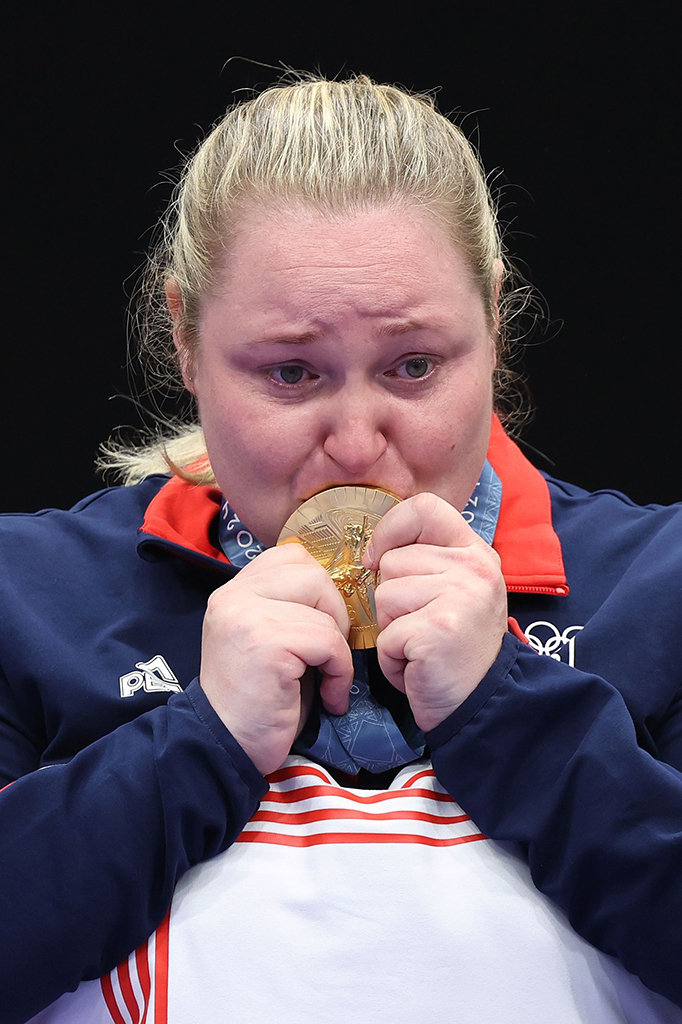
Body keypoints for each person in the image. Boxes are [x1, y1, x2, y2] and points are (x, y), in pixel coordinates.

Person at [1, 73, 680, 1023]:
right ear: (186, 337)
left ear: (492, 318)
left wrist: (509, 711)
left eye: (413, 366)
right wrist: (204, 740)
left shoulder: (662, 586)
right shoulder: (23, 596)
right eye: (291, 371)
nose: (358, 441)